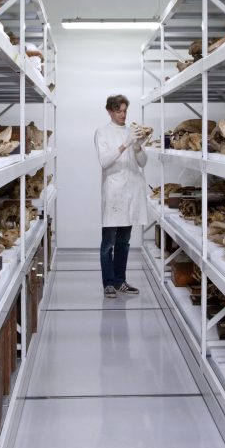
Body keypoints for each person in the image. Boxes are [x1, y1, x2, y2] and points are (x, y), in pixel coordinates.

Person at [94, 94, 150, 299]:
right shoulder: (102, 132)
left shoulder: (131, 132)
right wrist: (126, 143)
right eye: (119, 111)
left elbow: (143, 162)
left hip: (132, 192)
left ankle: (120, 280)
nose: (123, 115)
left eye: (125, 110)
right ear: (110, 111)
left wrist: (137, 146)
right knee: (108, 242)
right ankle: (108, 283)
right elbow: (104, 161)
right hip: (114, 192)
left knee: (124, 242)